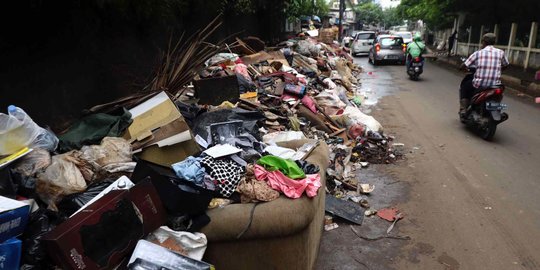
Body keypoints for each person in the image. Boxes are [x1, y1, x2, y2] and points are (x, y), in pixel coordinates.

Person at [459, 33, 509, 116]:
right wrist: (499, 70)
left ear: (484, 42)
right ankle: (496, 107)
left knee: (464, 86)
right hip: (495, 85)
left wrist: (464, 69)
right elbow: (506, 65)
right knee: (500, 92)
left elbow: (463, 66)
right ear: (494, 42)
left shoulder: (478, 53)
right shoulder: (501, 52)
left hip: (480, 84)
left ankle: (463, 109)